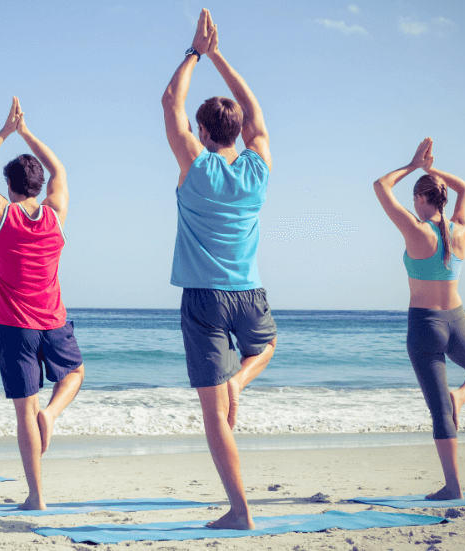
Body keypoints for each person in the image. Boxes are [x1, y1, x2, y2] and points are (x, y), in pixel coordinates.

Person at [160, 9, 277, 530]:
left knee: (215, 416)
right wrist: (219, 55)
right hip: (250, 293)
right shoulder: (258, 167)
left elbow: (170, 102)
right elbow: (255, 115)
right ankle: (240, 380)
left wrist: (193, 52)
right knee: (266, 346)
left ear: (203, 131)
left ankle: (240, 510)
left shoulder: (196, 164)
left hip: (205, 298)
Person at [0, 97, 85, 510]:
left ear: (11, 187)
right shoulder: (56, 214)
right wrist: (28, 132)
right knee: (74, 375)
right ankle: (52, 415)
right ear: (38, 185)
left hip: (15, 329)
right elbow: (61, 171)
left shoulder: (1, 215)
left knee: (23, 413)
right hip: (54, 322)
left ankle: (36, 497)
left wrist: (5, 131)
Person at [372, 137, 465, 500]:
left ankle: (453, 487)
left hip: (425, 326)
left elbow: (380, 186)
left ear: (422, 199)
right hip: (457, 322)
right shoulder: (461, 229)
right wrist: (432, 171)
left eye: (415, 197)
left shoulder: (417, 230)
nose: (413, 203)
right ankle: (461, 396)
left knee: (439, 411)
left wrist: (414, 165)